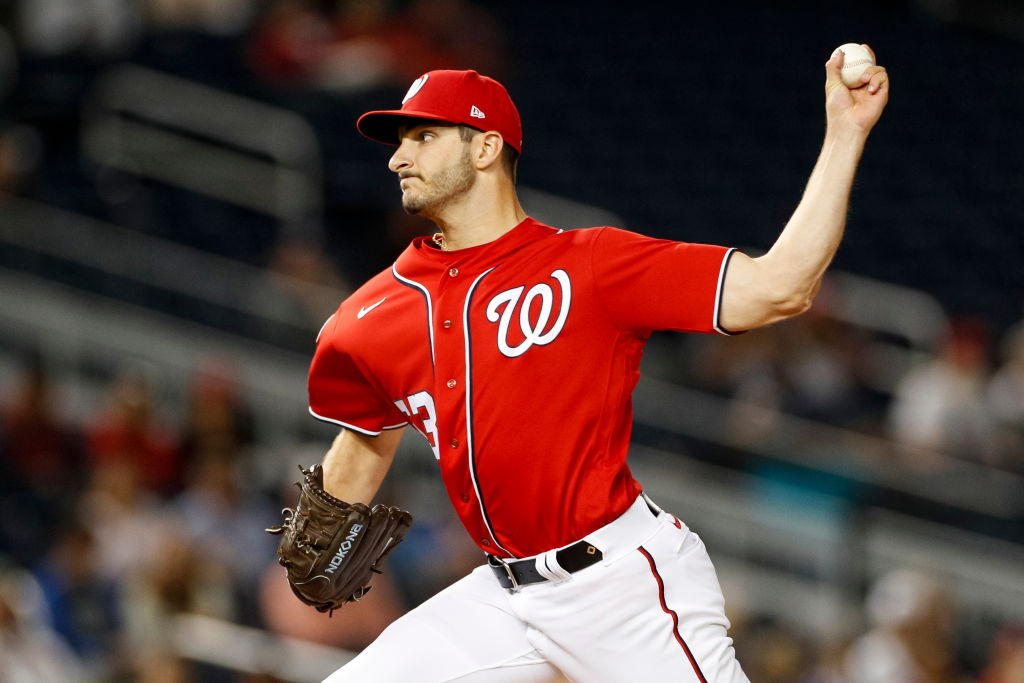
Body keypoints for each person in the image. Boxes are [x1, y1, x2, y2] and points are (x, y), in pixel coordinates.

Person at [297, 50, 889, 682]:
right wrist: (318, 532)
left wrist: (844, 132)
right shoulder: (375, 312)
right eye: (399, 141)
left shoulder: (591, 264)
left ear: (486, 147)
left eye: (423, 136)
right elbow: (367, 438)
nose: (398, 158)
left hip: (620, 587)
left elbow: (781, 286)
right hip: (502, 596)